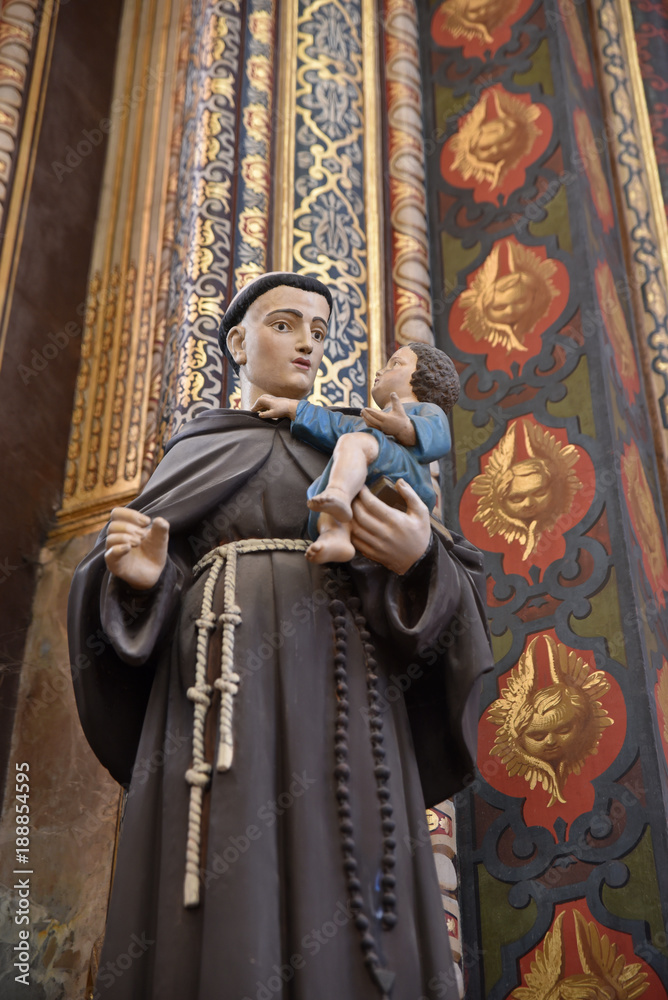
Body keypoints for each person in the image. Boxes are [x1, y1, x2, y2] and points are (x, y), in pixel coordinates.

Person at [68, 272, 493, 1000]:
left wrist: (417, 559)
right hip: (218, 701)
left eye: (319, 332)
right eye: (284, 324)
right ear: (238, 341)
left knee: (350, 879)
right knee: (226, 883)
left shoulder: (356, 440)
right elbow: (129, 579)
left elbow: (449, 586)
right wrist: (140, 580)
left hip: (348, 704)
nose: (306, 344)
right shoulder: (201, 446)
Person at [250, 342, 459, 563]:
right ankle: (335, 535)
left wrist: (405, 427)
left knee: (354, 444)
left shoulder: (426, 410)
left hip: (406, 477)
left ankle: (338, 495)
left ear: (425, 378)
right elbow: (337, 424)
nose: (380, 371)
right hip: (373, 476)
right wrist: (293, 409)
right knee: (322, 482)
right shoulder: (369, 422)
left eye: (395, 364)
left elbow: (439, 438)